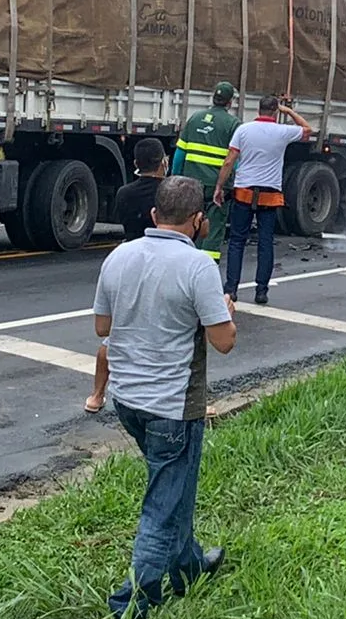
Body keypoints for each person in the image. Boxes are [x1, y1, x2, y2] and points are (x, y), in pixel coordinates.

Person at [91, 176, 236, 619]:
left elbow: (102, 328)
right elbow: (224, 342)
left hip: (127, 401)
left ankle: (189, 566)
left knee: (175, 489)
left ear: (154, 216)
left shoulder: (119, 256)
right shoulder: (198, 267)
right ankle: (131, 605)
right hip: (173, 407)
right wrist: (227, 312)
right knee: (162, 505)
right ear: (199, 222)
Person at [87, 137, 170, 414]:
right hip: (162, 258)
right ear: (163, 162)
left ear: (135, 163)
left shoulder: (124, 193)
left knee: (114, 334)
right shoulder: (168, 193)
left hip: (128, 255)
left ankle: (97, 395)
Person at [214, 95, 311, 305]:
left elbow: (230, 160)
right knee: (265, 243)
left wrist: (219, 186)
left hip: (244, 192)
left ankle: (231, 289)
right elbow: (307, 130)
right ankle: (261, 291)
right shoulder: (282, 132)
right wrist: (289, 112)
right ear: (275, 112)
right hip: (270, 195)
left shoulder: (243, 130)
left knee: (237, 242)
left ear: (258, 110)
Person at [173, 82, 241, 260]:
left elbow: (180, 154)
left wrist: (174, 178)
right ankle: (207, 266)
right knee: (214, 227)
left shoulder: (195, 118)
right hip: (216, 185)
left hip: (190, 183)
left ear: (213, 98)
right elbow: (233, 161)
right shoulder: (233, 124)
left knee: (189, 222)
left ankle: (186, 259)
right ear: (230, 102)